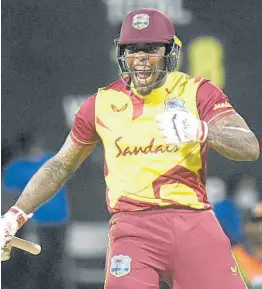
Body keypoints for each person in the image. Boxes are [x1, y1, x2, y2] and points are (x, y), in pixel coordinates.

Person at [0, 8, 260, 289]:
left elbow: (249, 146)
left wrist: (203, 130)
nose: (141, 59)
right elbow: (61, 164)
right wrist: (16, 214)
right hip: (133, 229)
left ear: (170, 51)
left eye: (151, 49)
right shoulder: (101, 104)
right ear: (121, 53)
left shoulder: (198, 91)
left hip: (193, 221)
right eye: (133, 50)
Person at [2, 133, 69, 289]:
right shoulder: (17, 168)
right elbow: (9, 195)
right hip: (36, 223)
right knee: (37, 263)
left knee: (56, 262)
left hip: (59, 220)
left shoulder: (53, 160)